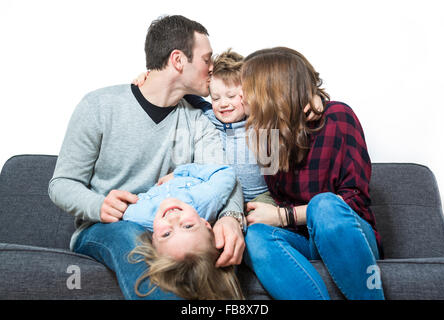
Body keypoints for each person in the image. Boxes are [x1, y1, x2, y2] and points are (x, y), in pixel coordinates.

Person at [48, 15, 246, 300]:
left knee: (222, 244)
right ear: (178, 60)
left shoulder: (199, 119)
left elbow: (223, 175)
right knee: (131, 239)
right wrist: (99, 205)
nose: (213, 68)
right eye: (206, 59)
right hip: (108, 227)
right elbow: (62, 184)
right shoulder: (99, 106)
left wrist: (229, 218)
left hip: (176, 228)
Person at [241, 47, 385, 300]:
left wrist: (284, 216)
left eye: (248, 89)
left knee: (324, 205)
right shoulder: (267, 135)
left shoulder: (339, 116)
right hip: (302, 241)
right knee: (254, 236)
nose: (242, 97)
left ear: (273, 90)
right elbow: (216, 115)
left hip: (348, 236)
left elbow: (352, 202)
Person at [133, 49, 322, 203]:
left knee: (260, 223)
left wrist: (315, 96)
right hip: (224, 194)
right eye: (216, 98)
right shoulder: (209, 116)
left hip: (263, 196)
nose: (223, 103)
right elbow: (181, 89)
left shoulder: (259, 118)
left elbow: (287, 99)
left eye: (232, 97)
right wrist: (150, 77)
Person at [122, 163, 244, 299]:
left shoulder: (138, 216)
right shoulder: (207, 199)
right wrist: (180, 173)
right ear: (205, 223)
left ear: (153, 240)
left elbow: (123, 209)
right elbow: (225, 172)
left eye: (166, 234)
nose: (173, 218)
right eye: (188, 226)